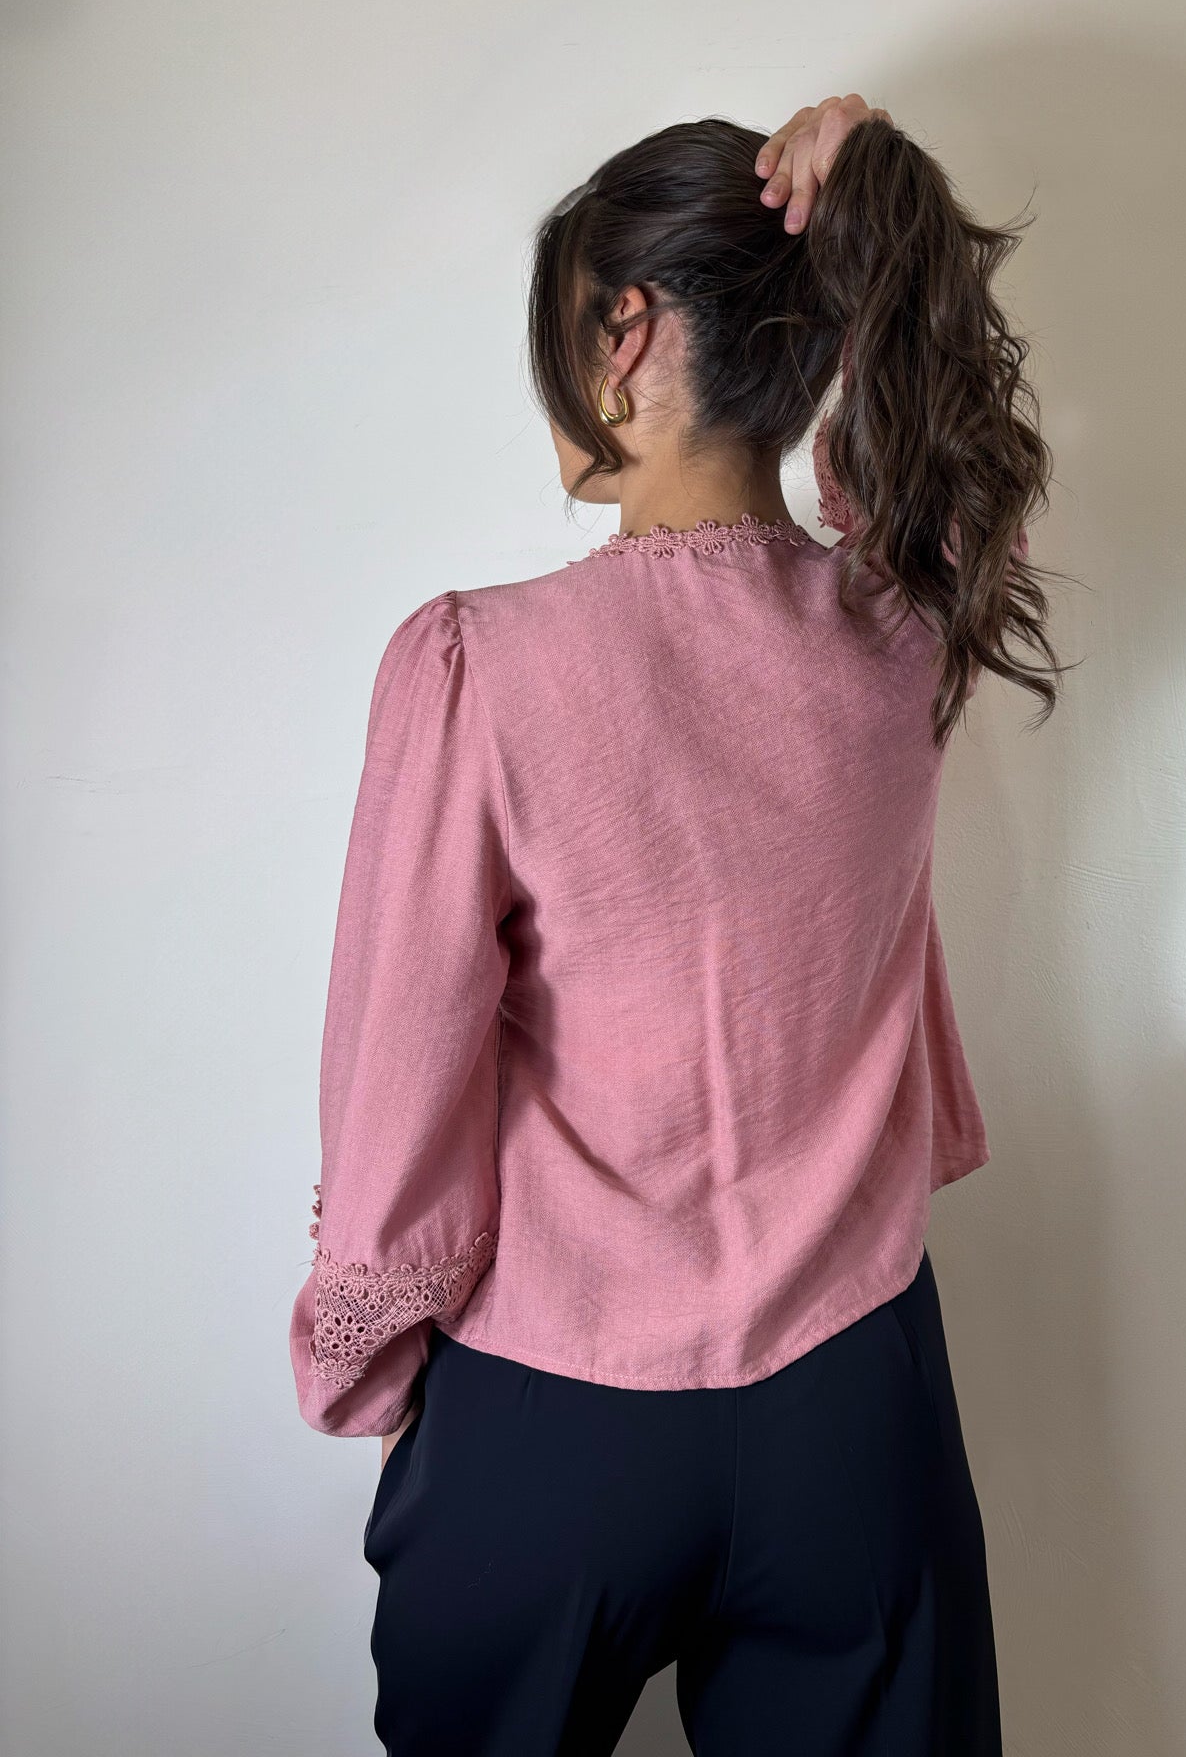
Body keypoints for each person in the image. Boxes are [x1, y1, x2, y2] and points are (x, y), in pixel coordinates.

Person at [289, 93, 1062, 1755]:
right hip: (855, 1411)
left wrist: (373, 1362)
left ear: (623, 331)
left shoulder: (479, 664)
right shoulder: (901, 624)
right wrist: (882, 205)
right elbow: (962, 468)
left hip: (551, 1412)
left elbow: (399, 1071)